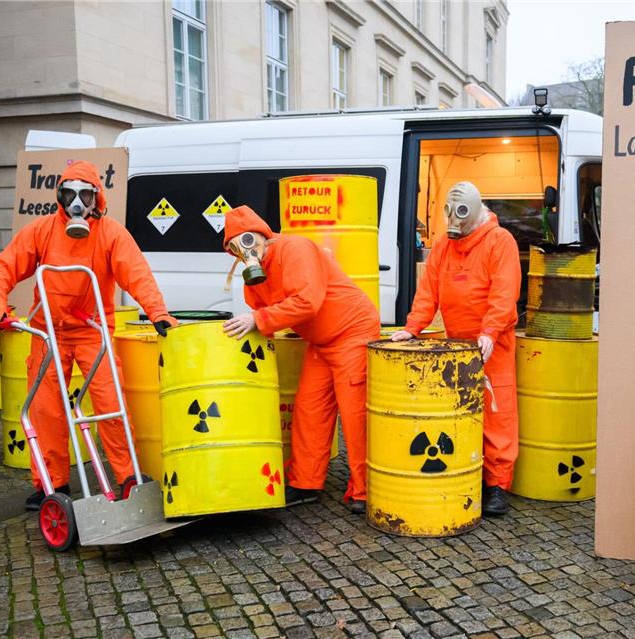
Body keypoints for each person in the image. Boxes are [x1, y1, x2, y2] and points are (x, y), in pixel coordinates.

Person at [0, 160, 177, 510]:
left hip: (92, 331)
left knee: (111, 404)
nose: (76, 203)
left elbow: (137, 274)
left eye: (83, 196)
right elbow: (4, 267)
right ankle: (51, 485)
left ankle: (128, 477)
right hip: (48, 333)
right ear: (59, 197)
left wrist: (157, 312)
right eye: (68, 195)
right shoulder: (41, 231)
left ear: (95, 198)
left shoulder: (111, 233)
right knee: (46, 411)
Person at [221, 205, 380, 514]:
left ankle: (365, 489)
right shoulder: (256, 273)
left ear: (263, 235)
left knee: (354, 415)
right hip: (320, 342)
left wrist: (259, 320)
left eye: (248, 241)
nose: (245, 251)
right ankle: (305, 483)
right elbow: (261, 310)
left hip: (353, 332)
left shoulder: (295, 249)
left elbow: (306, 302)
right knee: (309, 411)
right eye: (235, 248)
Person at [392, 181, 521, 516]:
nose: (455, 222)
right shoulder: (444, 246)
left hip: (494, 345)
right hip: (457, 346)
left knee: (497, 413)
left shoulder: (499, 242)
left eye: (460, 214)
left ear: (475, 212)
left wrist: (490, 332)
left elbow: (504, 293)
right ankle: (467, 470)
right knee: (462, 412)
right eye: (450, 213)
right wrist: (411, 328)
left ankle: (498, 485)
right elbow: (428, 292)